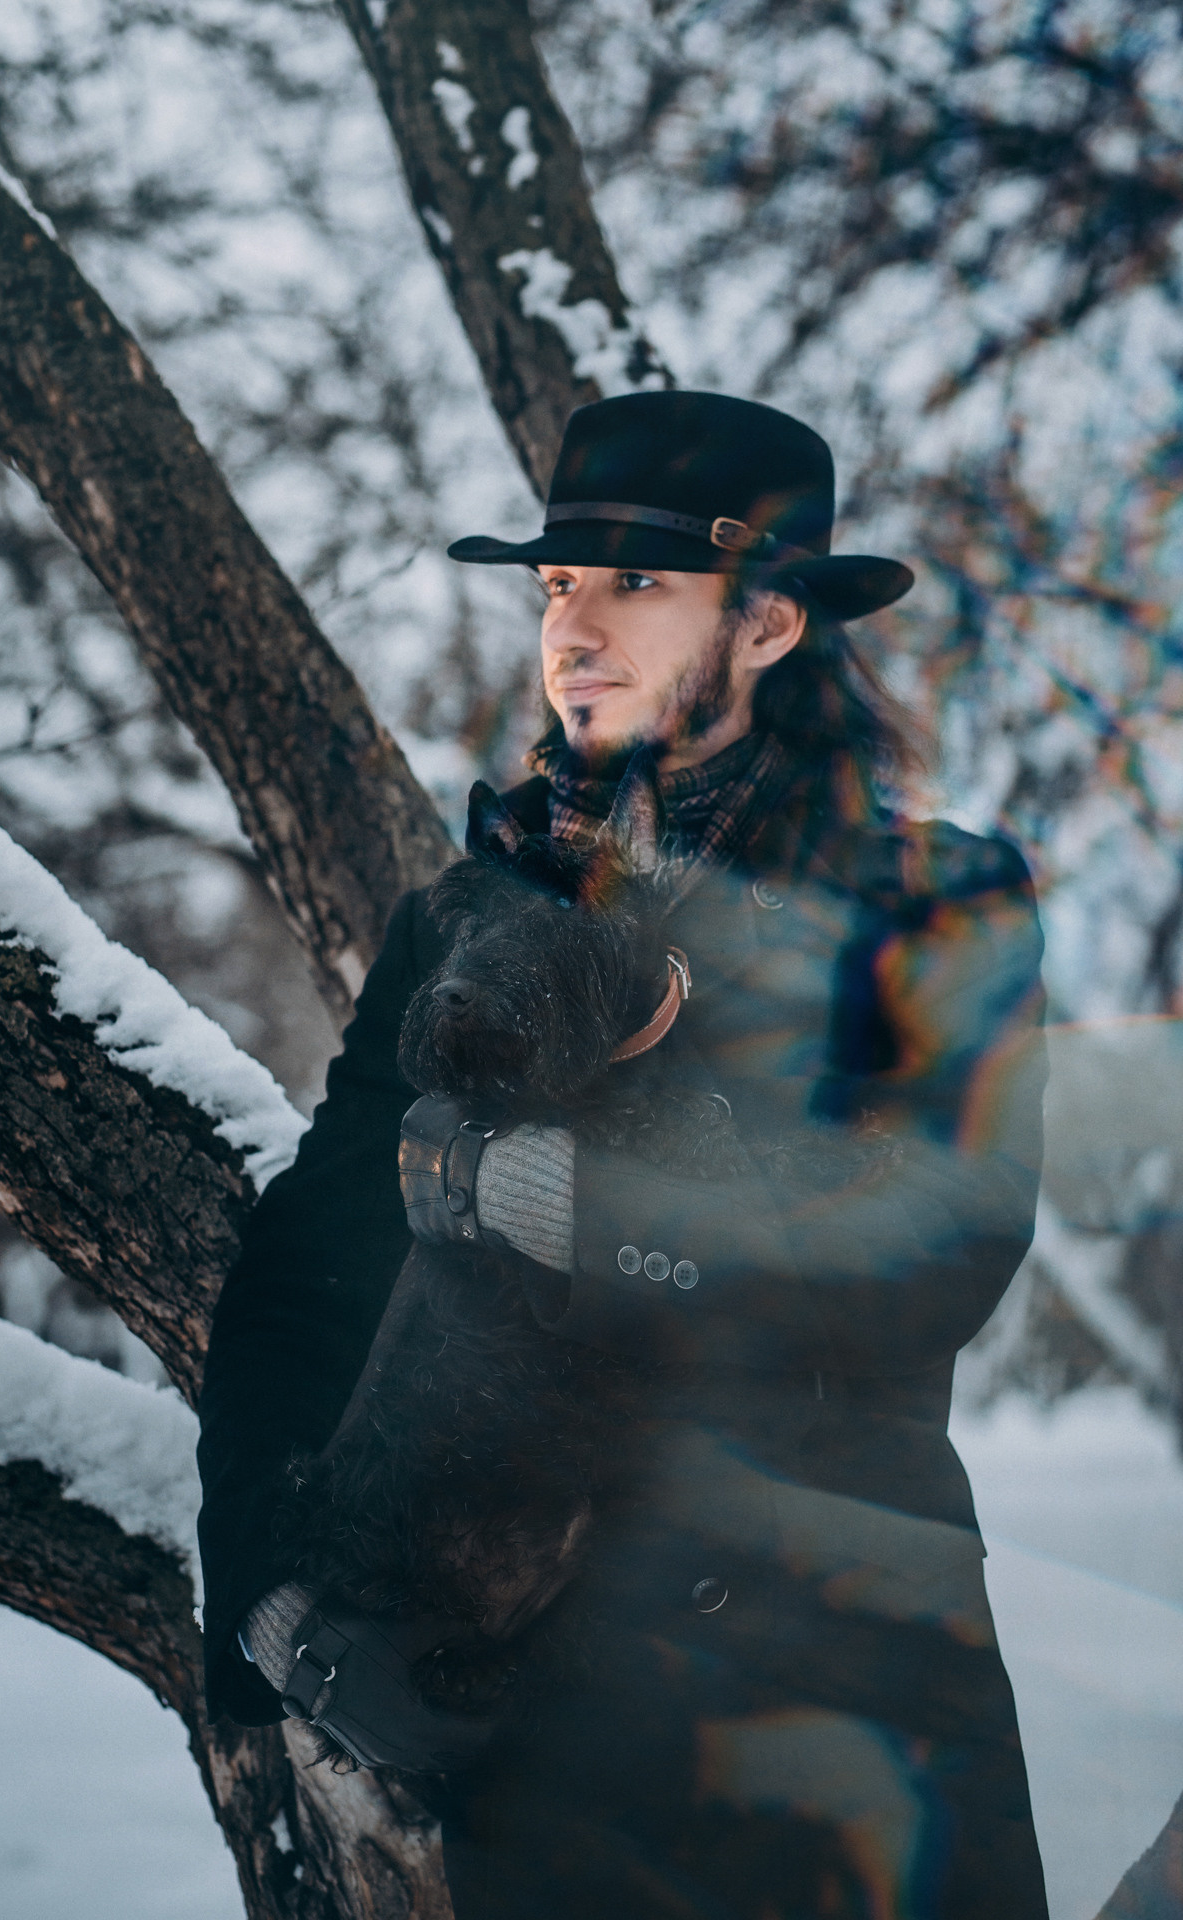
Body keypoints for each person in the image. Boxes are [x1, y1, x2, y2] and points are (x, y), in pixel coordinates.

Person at [197, 391, 1050, 1917]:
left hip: (865, 1724)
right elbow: (310, 1271)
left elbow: (933, 1263)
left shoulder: (938, 903)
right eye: (556, 588)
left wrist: (566, 1206)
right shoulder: (468, 919)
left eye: (635, 586)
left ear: (775, 621)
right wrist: (270, 1606)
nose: (572, 631)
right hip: (556, 1750)